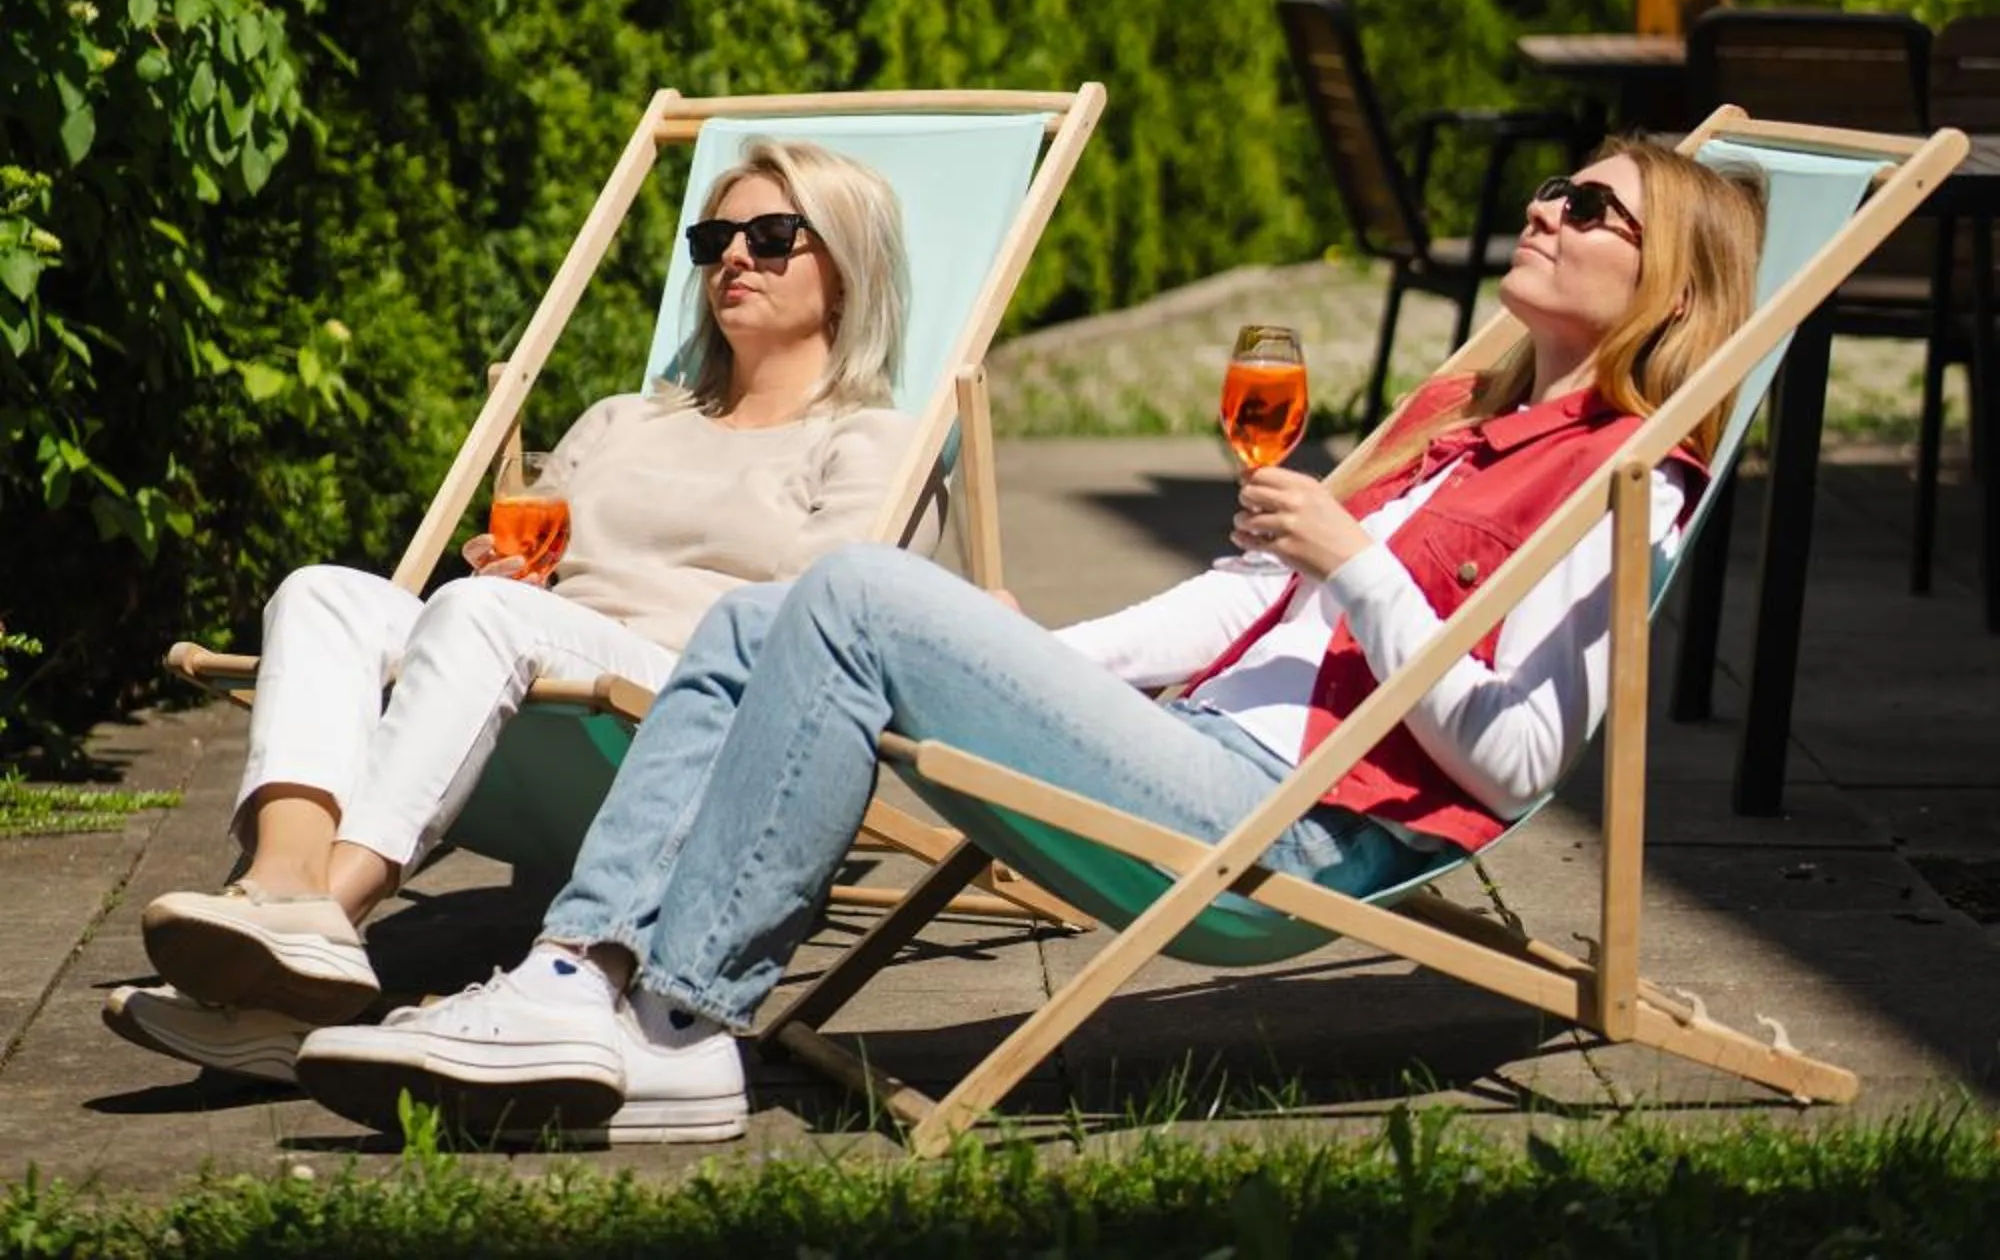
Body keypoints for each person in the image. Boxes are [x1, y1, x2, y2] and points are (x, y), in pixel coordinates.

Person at [295, 138, 1764, 1145]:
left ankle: (679, 1019)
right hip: (1182, 752)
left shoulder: (1636, 477)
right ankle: (593, 976)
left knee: (854, 593)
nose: (1548, 209)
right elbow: (1236, 605)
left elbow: (1512, 759)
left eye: (1592, 206)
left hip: (1277, 827)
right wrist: (1039, 655)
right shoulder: (1462, 423)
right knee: (768, 613)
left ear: (1674, 284)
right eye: (1556, 190)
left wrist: (1361, 561)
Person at [106, 139, 920, 1084]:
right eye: (714, 237)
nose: (735, 258)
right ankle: (283, 894)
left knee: (484, 613)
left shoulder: (871, 444)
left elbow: (822, 637)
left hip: (683, 702)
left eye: (773, 236)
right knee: (321, 592)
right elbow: (543, 560)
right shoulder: (625, 418)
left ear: (848, 271)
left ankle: (323, 924)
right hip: (544, 669)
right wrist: (516, 578)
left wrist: (505, 608)